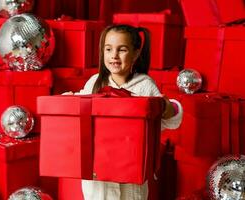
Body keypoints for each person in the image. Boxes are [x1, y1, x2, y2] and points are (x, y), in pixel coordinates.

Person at [64, 24, 183, 200]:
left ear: (135, 54)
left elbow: (168, 119)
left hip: (131, 180)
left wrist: (167, 108)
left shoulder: (144, 85)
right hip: (98, 178)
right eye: (108, 49)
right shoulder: (95, 83)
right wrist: (66, 102)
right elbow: (79, 108)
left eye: (122, 50)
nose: (114, 55)